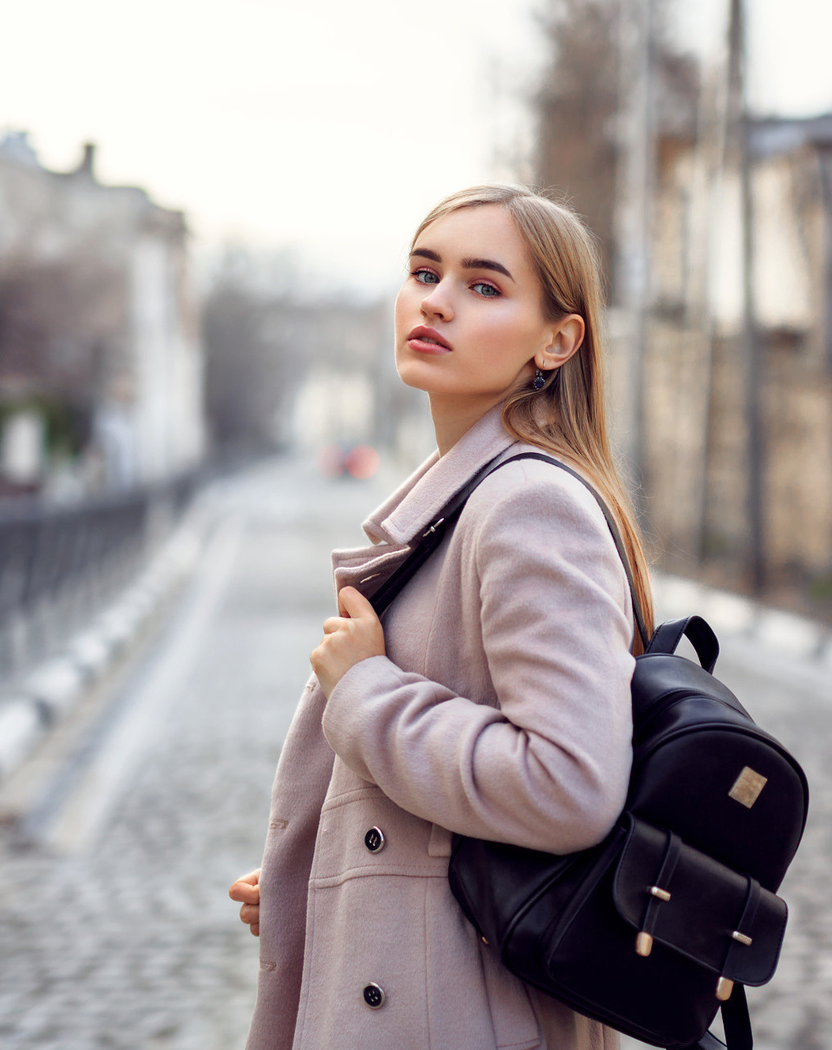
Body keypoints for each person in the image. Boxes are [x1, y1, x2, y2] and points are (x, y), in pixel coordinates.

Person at [229, 184, 655, 1049]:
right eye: (425, 272)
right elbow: (428, 825)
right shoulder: (460, 503)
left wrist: (368, 694)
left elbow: (569, 786)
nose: (437, 300)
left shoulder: (530, 505)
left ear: (558, 340)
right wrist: (325, 881)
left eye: (484, 286)